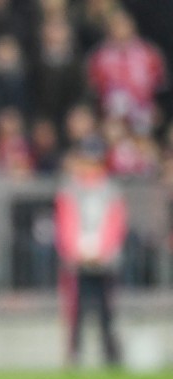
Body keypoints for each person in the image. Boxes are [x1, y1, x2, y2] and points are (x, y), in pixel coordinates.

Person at [55, 137, 127, 367]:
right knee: (76, 309)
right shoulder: (70, 189)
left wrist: (104, 250)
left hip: (104, 260)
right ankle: (74, 352)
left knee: (107, 310)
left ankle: (110, 353)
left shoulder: (111, 190)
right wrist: (74, 251)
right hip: (77, 260)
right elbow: (64, 223)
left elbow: (116, 224)